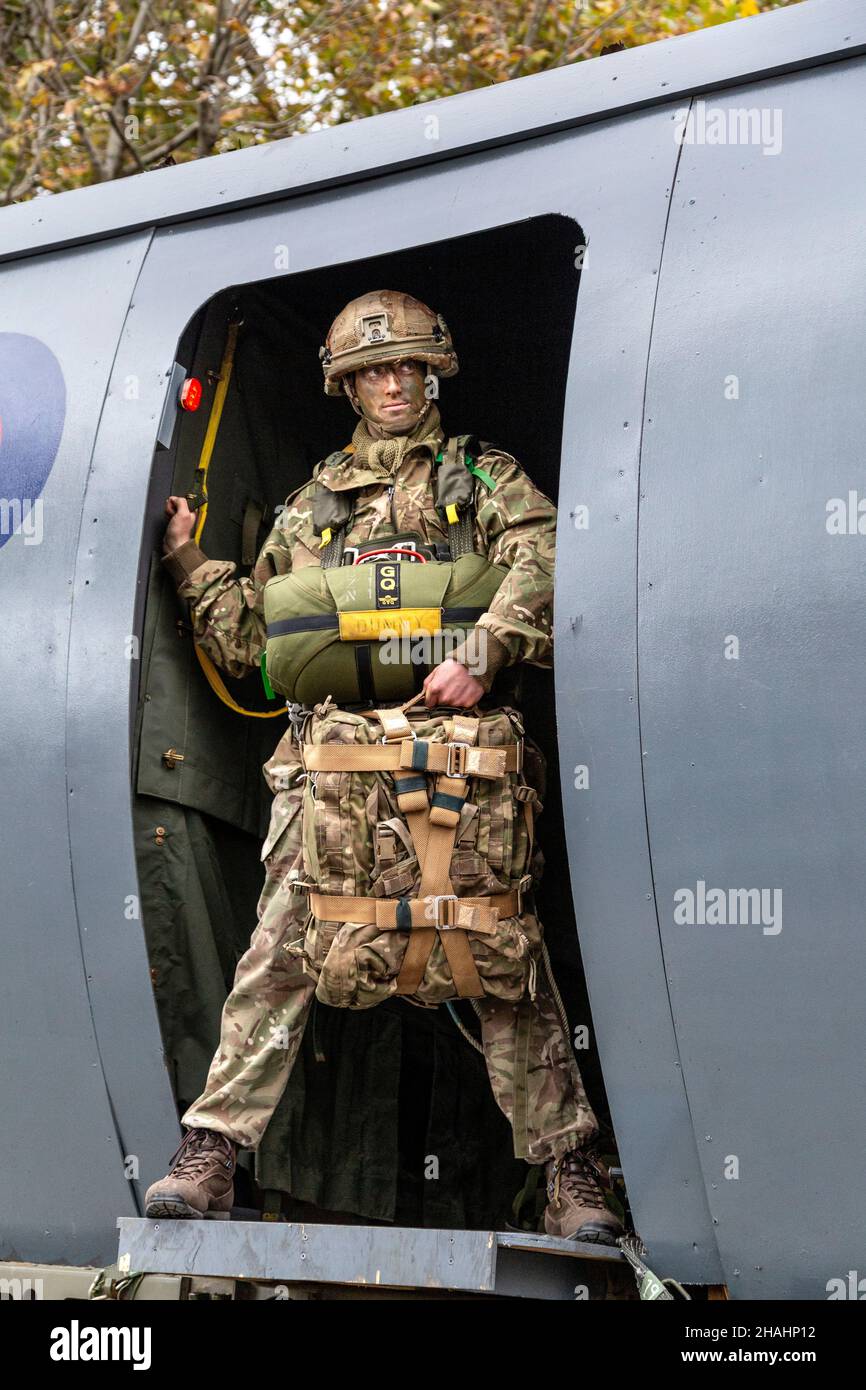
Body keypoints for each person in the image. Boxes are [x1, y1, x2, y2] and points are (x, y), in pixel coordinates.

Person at [144, 289, 623, 1245]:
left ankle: (573, 1177)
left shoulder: (483, 479)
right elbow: (259, 644)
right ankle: (210, 1155)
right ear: (345, 385)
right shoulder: (309, 507)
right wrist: (193, 562)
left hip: (456, 772)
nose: (390, 383)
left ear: (433, 369)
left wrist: (485, 648)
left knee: (498, 956)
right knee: (277, 956)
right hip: (331, 779)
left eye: (405, 365)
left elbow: (550, 557)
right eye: (369, 371)